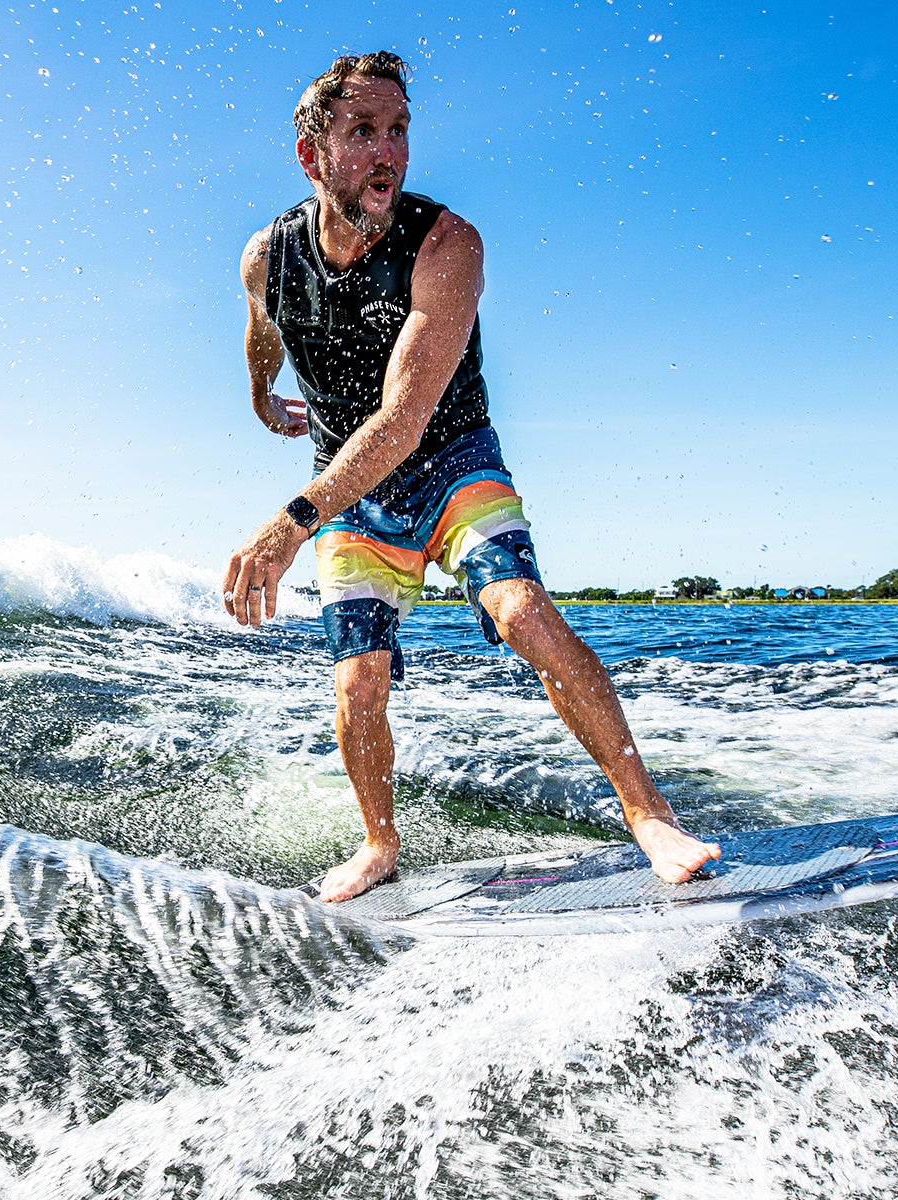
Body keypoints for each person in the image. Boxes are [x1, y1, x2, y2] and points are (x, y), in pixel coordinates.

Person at [223, 51, 721, 902]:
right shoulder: (268, 256)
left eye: (400, 130)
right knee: (359, 678)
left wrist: (287, 522)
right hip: (354, 488)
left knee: (521, 611)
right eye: (364, 132)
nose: (389, 152)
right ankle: (380, 843)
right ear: (312, 157)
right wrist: (261, 395)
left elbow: (405, 419)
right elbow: (261, 329)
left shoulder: (446, 245)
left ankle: (649, 814)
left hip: (451, 460)